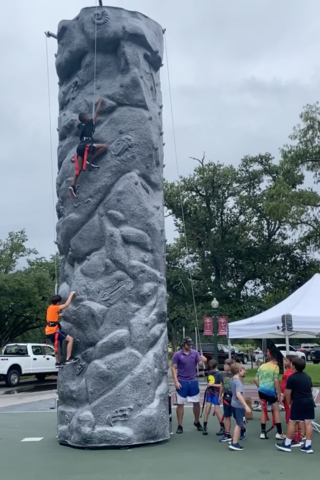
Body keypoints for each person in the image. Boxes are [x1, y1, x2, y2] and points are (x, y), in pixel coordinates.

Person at [69, 97, 108, 198]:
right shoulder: (90, 122)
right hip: (87, 146)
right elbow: (97, 112)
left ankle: (73, 186)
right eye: (87, 116)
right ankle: (91, 160)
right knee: (104, 147)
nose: (88, 116)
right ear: (86, 118)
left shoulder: (82, 127)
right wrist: (100, 102)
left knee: (79, 169)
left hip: (79, 148)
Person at [276, 357, 315, 454]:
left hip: (298, 402)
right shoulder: (307, 377)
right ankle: (308, 446)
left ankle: (287, 444)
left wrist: (289, 403)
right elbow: (310, 389)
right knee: (308, 423)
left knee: (292, 422)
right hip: (309, 401)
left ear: (293, 366)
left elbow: (287, 392)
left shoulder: (292, 378)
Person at [171, 337, 207, 434]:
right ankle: (180, 425)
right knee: (180, 403)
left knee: (196, 402)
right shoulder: (177, 355)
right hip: (182, 381)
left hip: (193, 380)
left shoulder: (194, 353)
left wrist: (203, 360)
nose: (190, 346)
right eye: (188, 345)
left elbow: (200, 364)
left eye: (191, 345)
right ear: (184, 344)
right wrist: (176, 381)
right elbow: (173, 368)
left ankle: (196, 421)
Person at [254, 357, 284, 440]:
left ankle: (263, 432)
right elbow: (276, 381)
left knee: (263, 410)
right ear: (275, 361)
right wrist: (279, 393)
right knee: (276, 410)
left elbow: (255, 379)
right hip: (271, 391)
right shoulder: (275, 367)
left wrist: (260, 387)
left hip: (261, 391)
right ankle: (279, 432)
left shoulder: (262, 366)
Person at [45, 292, 78, 366]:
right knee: (70, 339)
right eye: (59, 303)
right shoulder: (55, 307)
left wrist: (59, 315)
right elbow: (66, 305)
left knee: (56, 345)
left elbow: (50, 319)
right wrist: (71, 294)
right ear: (58, 303)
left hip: (48, 331)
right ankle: (68, 358)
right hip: (54, 331)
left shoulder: (50, 308)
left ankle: (58, 362)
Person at [281, 355, 304, 446]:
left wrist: (286, 397)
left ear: (292, 363)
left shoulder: (291, 374)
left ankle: (296, 437)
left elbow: (289, 388)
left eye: (286, 360)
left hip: (291, 400)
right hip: (289, 399)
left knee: (293, 419)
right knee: (292, 418)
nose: (284, 362)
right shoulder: (289, 373)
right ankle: (295, 436)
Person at [229, 362, 251, 451]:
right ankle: (234, 443)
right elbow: (238, 394)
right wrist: (246, 405)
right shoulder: (238, 382)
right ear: (239, 371)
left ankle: (234, 441)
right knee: (238, 424)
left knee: (238, 423)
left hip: (234, 404)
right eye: (243, 370)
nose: (244, 372)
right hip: (238, 406)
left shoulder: (232, 380)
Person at [202, 359, 224, 435]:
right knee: (207, 410)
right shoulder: (208, 372)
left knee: (217, 411)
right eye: (210, 368)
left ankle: (222, 427)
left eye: (212, 368)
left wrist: (220, 396)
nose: (211, 370)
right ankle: (204, 426)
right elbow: (208, 380)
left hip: (216, 393)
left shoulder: (219, 374)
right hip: (209, 392)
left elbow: (221, 385)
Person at [219, 358, 234, 442]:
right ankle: (227, 434)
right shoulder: (222, 374)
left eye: (227, 365)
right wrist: (220, 395)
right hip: (226, 397)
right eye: (224, 364)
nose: (224, 366)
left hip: (234, 398)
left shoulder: (235, 375)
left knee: (237, 417)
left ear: (231, 366)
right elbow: (222, 385)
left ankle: (242, 429)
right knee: (227, 416)